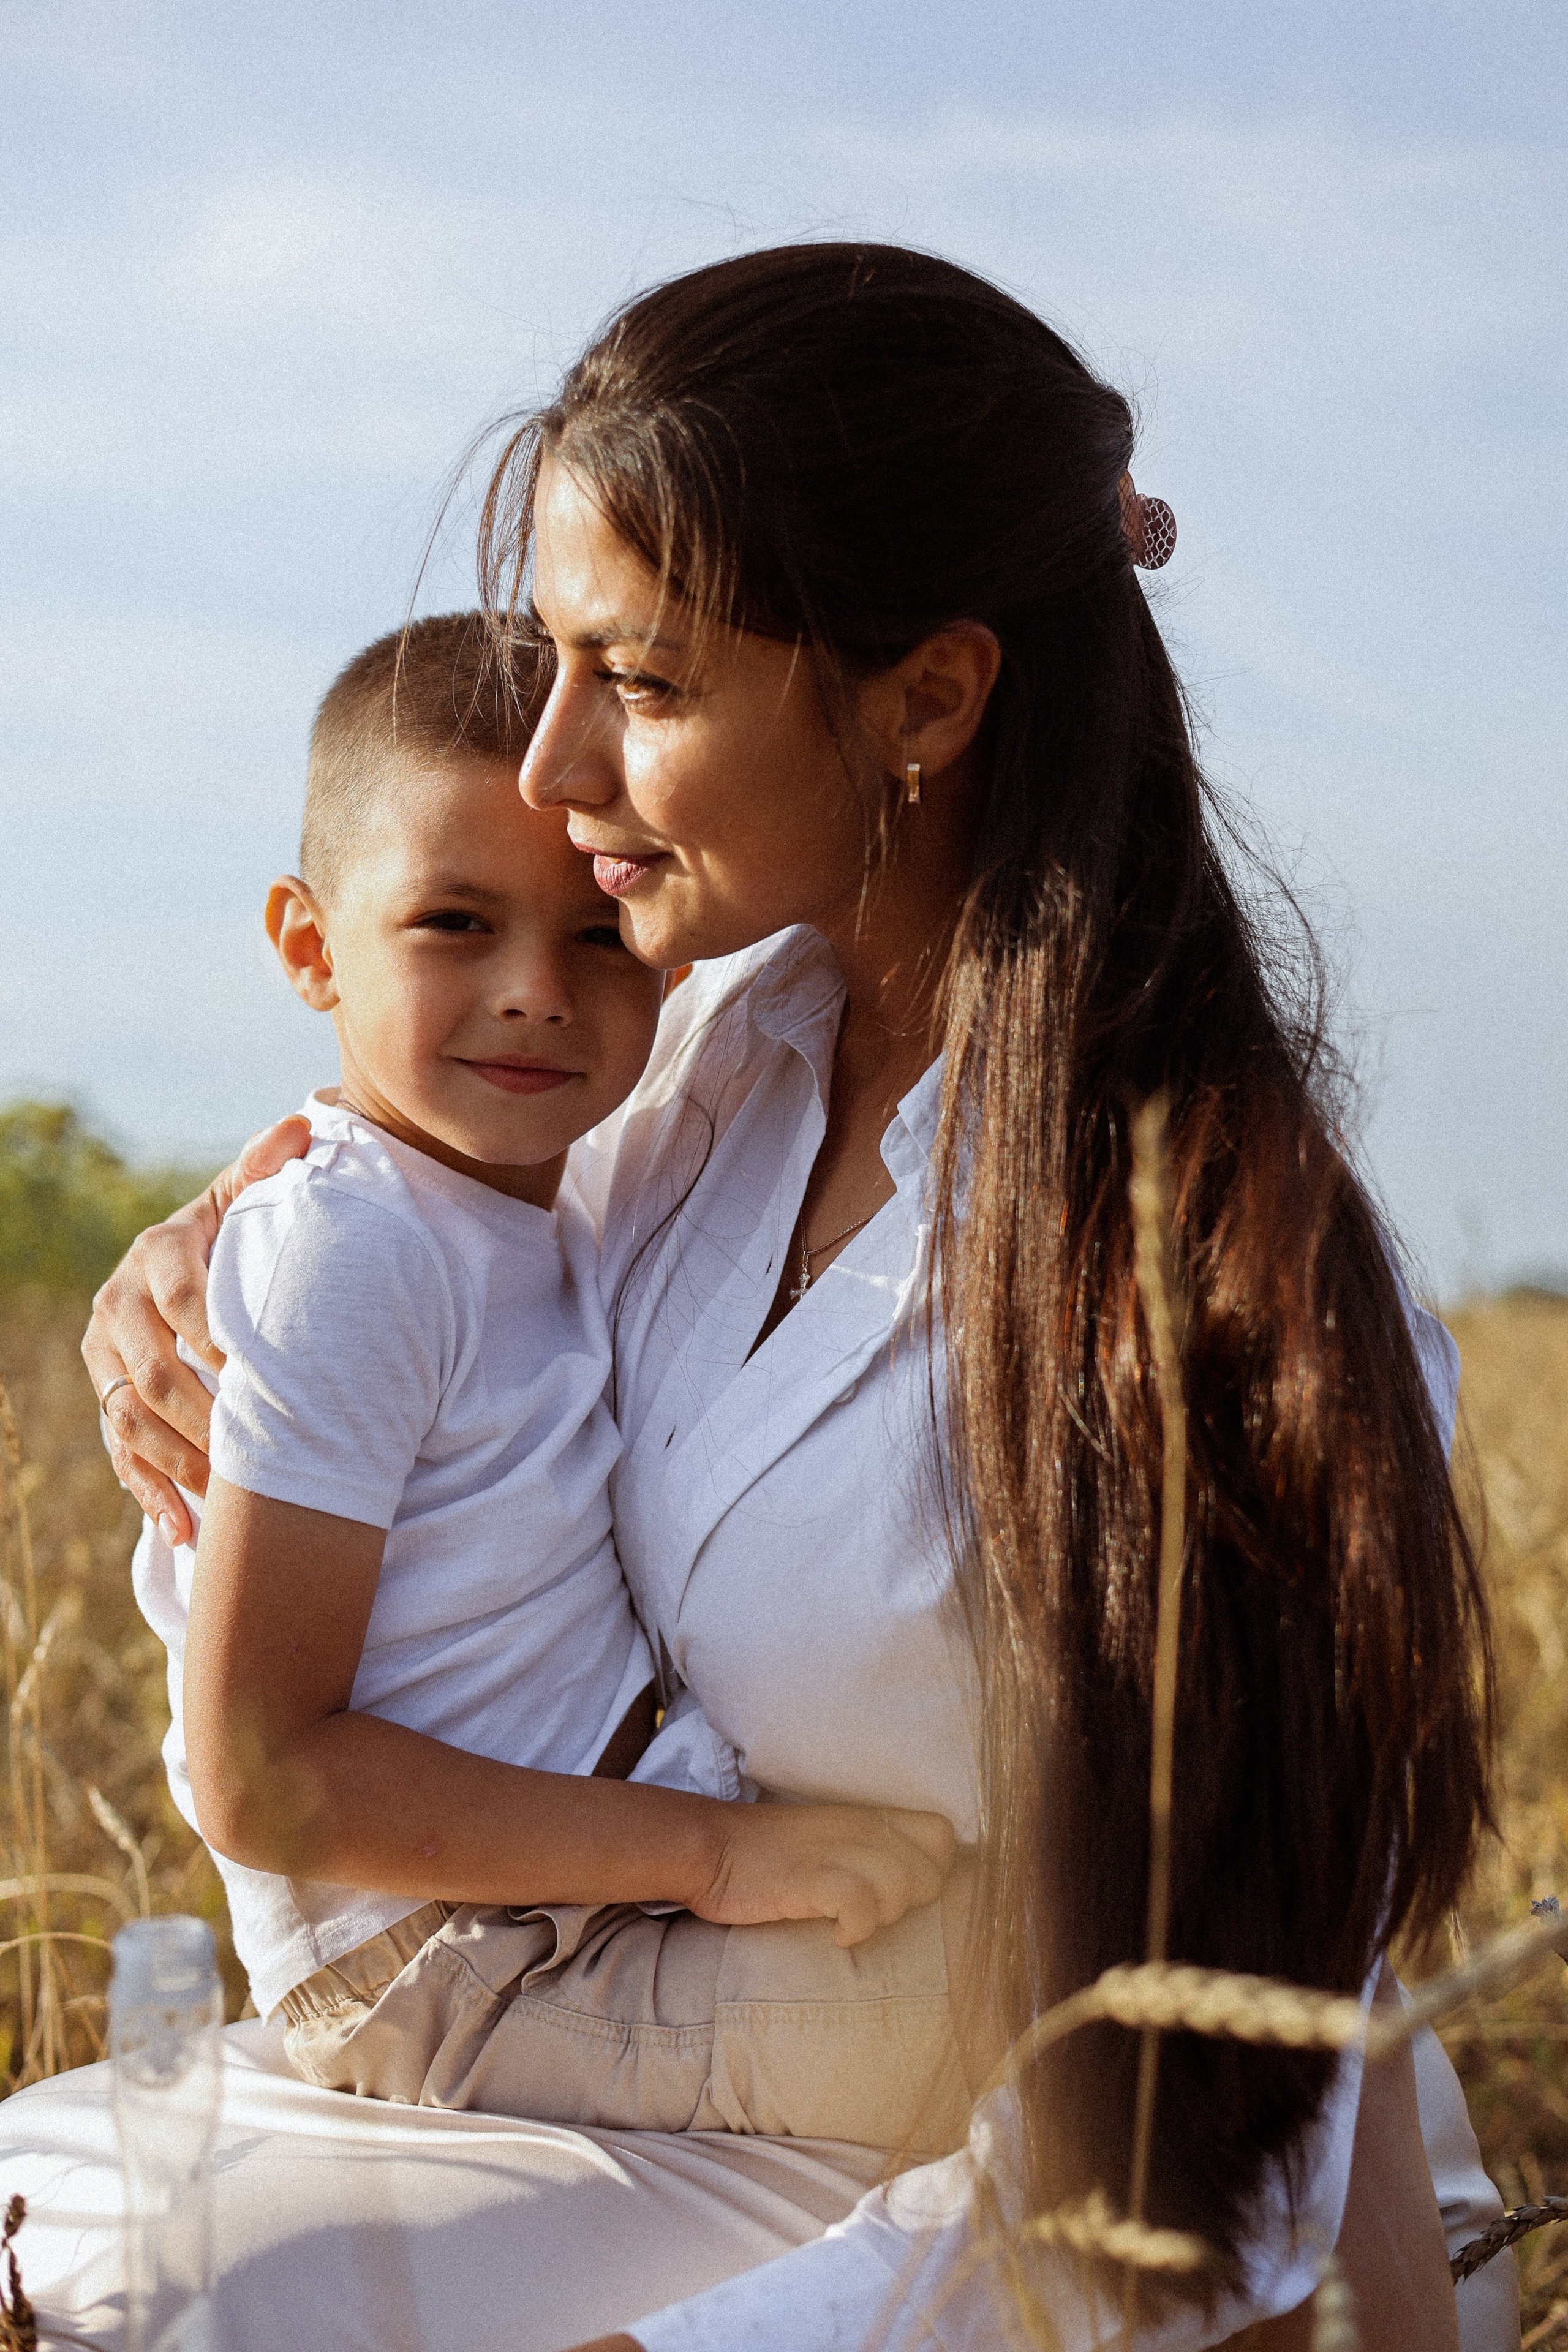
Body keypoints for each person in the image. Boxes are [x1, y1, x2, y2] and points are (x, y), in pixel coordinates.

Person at [83, 244, 1514, 2349]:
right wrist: (208, 1243)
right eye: (554, 664)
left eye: (640, 684)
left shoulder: (1223, 1288)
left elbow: (1221, 2124)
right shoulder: (693, 1058)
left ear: (930, 697)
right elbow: (405, 1170)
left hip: (1049, 2195)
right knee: (102, 2216)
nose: (556, 765)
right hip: (657, 2040)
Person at [134, 608, 968, 2148]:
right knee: (1042, 2037)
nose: (534, 989)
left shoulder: (553, 1191)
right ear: (311, 946)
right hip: (445, 1956)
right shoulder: (354, 1249)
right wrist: (715, 1857)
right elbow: (261, 1773)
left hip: (556, 1899)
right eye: (454, 923)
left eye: (596, 934)